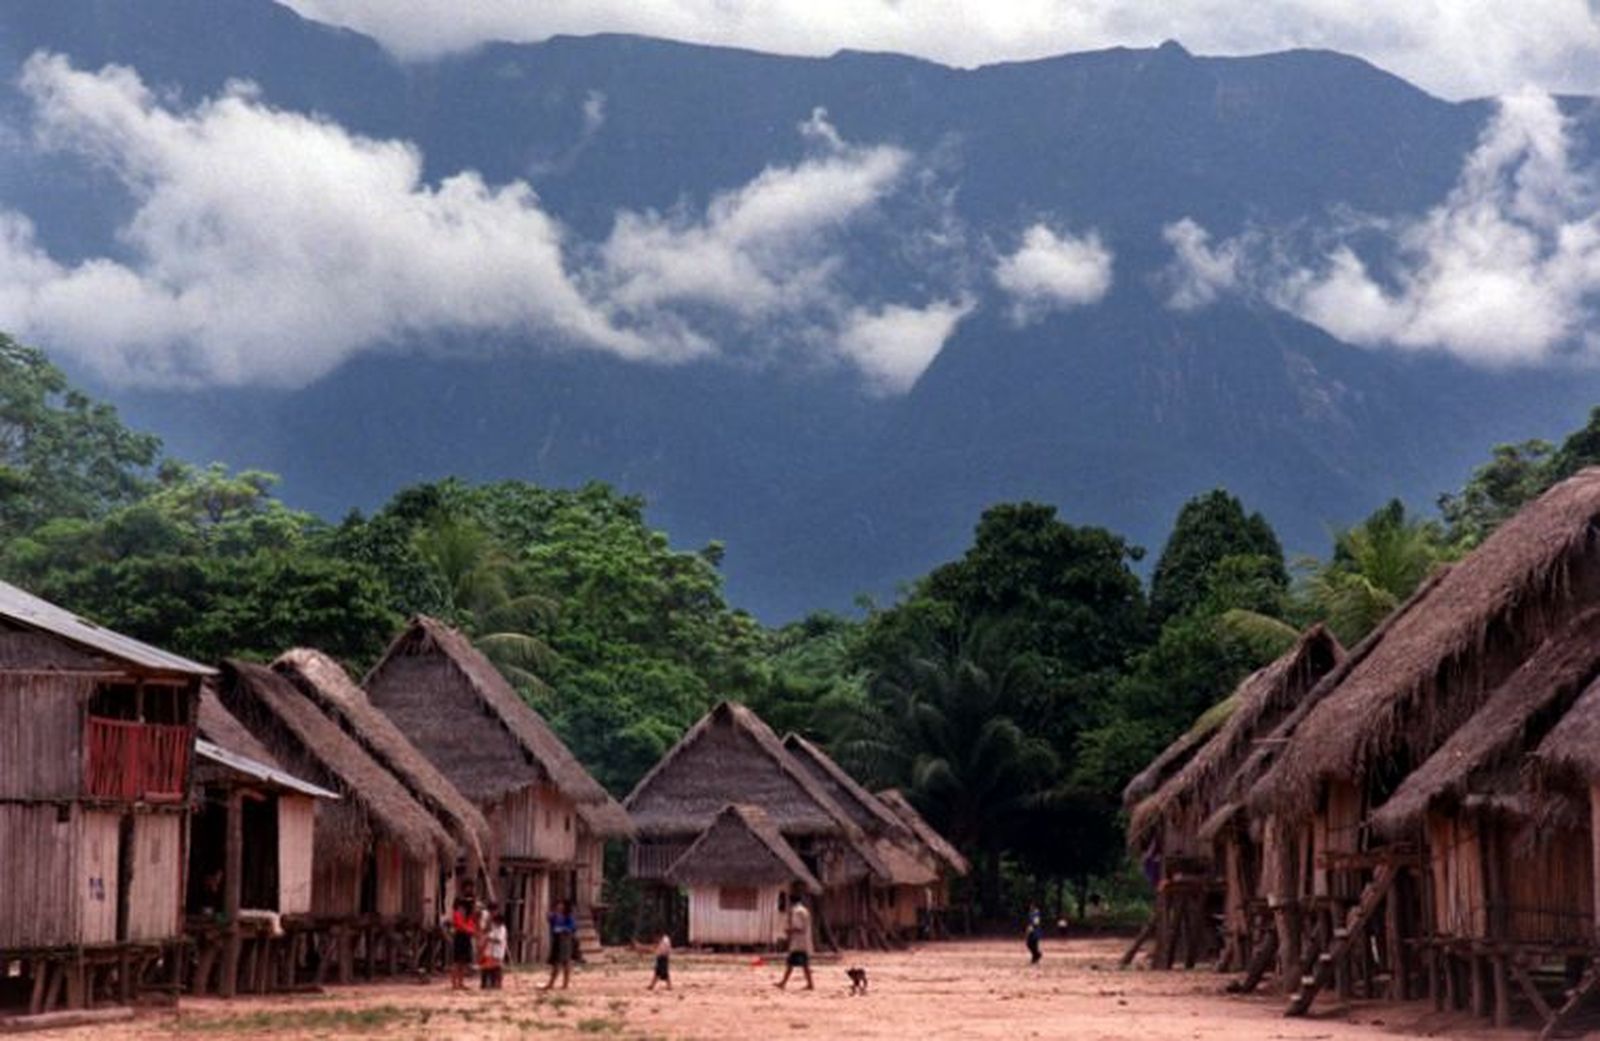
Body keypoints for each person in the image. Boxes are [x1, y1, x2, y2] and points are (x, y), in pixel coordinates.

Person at [776, 893, 814, 990]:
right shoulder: (804, 910)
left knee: (791, 963)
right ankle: (809, 984)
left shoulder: (796, 911)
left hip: (798, 942)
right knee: (802, 964)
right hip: (803, 942)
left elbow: (799, 927)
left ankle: (783, 983)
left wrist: (788, 930)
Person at [542, 900, 577, 990]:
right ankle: (552, 983)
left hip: (565, 941)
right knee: (557, 962)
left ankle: (563, 984)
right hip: (557, 941)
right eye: (558, 905)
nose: (559, 906)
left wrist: (562, 929)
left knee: (564, 962)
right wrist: (549, 916)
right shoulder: (555, 916)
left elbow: (572, 927)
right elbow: (550, 921)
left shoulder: (568, 916)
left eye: (561, 905)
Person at [449, 896, 478, 991]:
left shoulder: (468, 915)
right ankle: (454, 984)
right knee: (457, 962)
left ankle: (461, 983)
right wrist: (471, 930)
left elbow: (471, 924)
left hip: (466, 937)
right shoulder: (457, 914)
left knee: (463, 962)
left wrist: (472, 930)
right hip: (460, 937)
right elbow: (460, 926)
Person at [480, 910, 508, 990]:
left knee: (497, 968)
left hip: (498, 951)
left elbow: (499, 939)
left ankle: (497, 984)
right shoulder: (493, 927)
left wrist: (490, 938)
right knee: (487, 967)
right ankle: (486, 984)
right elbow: (487, 934)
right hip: (490, 950)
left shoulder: (502, 929)